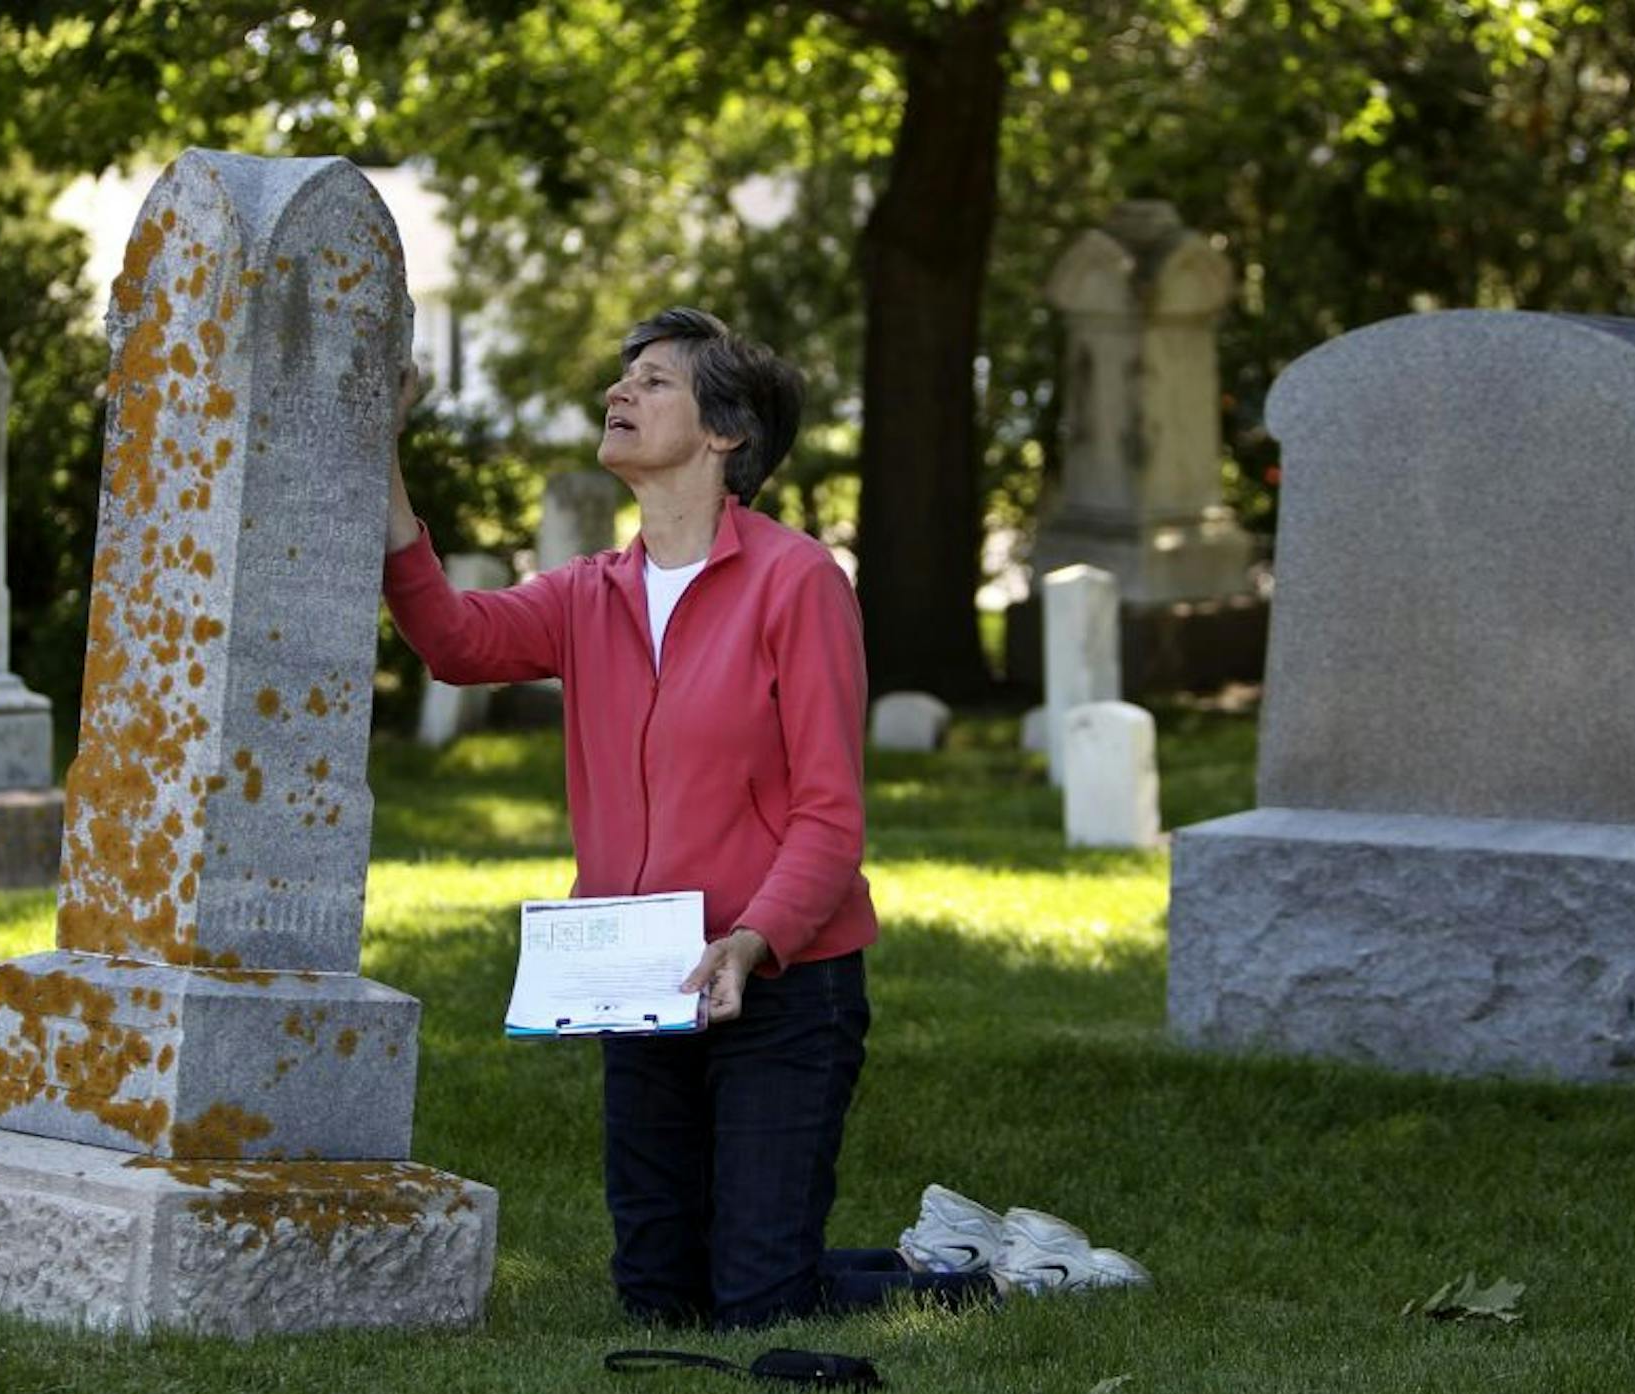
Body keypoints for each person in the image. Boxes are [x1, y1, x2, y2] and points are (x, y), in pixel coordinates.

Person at [381, 308, 1144, 1327]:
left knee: (758, 1303)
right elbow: (451, 639)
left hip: (787, 985)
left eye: (653, 382)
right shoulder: (590, 592)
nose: (620, 394)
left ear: (723, 434)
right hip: (647, 980)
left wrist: (751, 941)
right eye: (624, 379)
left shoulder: (797, 582)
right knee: (660, 1298)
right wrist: (380, 450)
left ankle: (1018, 1276)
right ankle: (945, 1246)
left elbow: (830, 816)